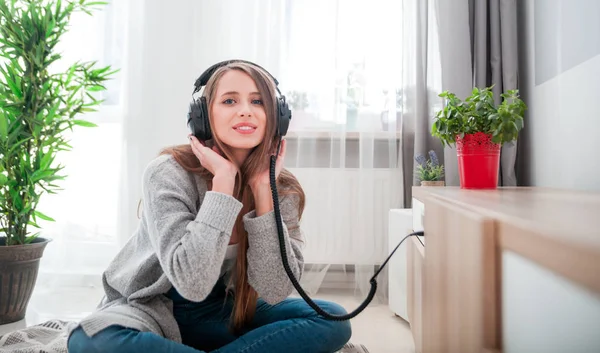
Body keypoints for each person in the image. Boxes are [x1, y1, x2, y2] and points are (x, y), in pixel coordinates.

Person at [67, 60, 352, 353]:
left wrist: (263, 190)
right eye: (230, 100)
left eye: (258, 101)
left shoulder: (279, 186)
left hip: (221, 311)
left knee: (333, 319)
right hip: (152, 306)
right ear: (202, 117)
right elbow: (192, 284)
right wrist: (224, 183)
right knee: (90, 339)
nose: (245, 110)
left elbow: (275, 289)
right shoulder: (167, 173)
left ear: (277, 117)